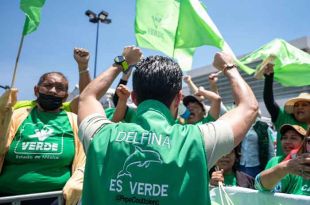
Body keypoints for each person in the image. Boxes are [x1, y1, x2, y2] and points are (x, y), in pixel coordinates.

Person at [78, 47, 258, 204]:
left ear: (133, 97)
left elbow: (87, 97)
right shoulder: (198, 141)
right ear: (178, 99)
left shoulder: (100, 135)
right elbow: (249, 107)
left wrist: (123, 62)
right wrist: (229, 67)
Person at [0, 48, 90, 205]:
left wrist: (83, 67)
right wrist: (2, 113)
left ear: (66, 96)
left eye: (60, 88)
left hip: (56, 199)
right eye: (48, 85)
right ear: (36, 90)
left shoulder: (73, 120)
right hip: (8, 197)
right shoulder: (17, 115)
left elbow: (88, 95)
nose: (54, 91)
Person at [263, 63, 310, 155]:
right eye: (296, 105)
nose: (299, 107)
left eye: (304, 105)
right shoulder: (284, 117)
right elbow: (269, 101)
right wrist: (269, 78)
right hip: (282, 167)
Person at [255, 124, 309, 195]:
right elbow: (261, 186)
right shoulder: (274, 161)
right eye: (284, 138)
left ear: (304, 143)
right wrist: (284, 167)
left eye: (293, 138)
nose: (287, 141)